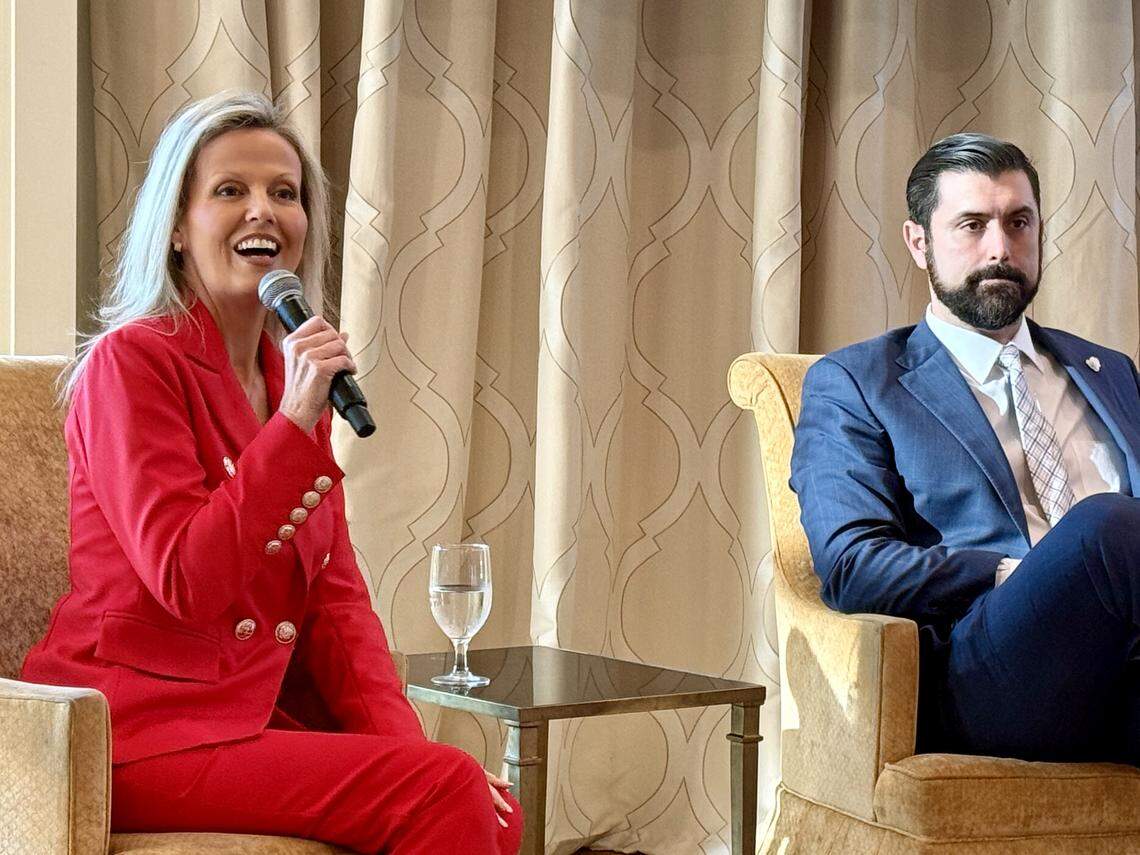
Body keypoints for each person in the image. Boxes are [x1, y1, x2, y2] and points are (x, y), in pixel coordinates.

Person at [21, 91, 522, 854]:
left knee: (485, 800)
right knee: (445, 792)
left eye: (283, 194)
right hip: (136, 732)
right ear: (179, 229)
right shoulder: (133, 365)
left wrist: (416, 748)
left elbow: (336, 604)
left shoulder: (286, 376)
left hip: (240, 718)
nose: (263, 211)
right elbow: (187, 578)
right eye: (231, 191)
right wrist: (290, 425)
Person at [790, 133, 1140, 764]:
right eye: (972, 225)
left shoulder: (1109, 371)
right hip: (986, 678)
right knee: (1105, 524)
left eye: (1018, 222)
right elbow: (850, 565)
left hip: (1121, 671)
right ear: (919, 241)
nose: (1000, 249)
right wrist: (1018, 574)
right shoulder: (858, 383)